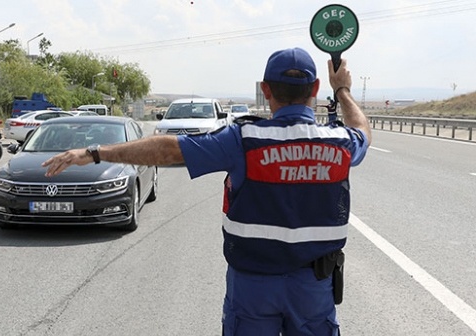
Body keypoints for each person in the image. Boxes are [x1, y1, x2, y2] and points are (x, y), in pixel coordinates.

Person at [41, 47, 371, 336]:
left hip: (253, 286)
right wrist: (341, 91)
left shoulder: (242, 140)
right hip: (314, 287)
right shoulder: (341, 141)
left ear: (266, 90)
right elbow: (363, 131)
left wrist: (94, 153)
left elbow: (165, 150)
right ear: (315, 88)